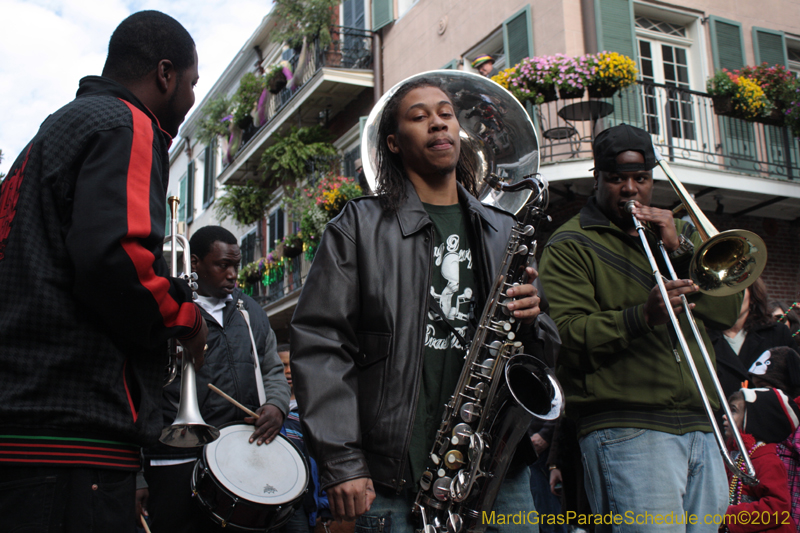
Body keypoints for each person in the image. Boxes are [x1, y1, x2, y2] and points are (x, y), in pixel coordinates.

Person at [291, 77, 559, 532]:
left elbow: (536, 356)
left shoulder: (505, 230)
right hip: (394, 483)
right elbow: (321, 345)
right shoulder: (358, 225)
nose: (437, 123)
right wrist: (342, 462)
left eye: (445, 113)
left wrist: (535, 319)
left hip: (497, 480)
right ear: (394, 143)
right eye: (419, 117)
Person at [0, 11, 206, 532]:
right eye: (191, 84)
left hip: (23, 428)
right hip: (73, 439)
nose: (189, 100)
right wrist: (184, 317)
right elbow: (118, 258)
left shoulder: (51, 133)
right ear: (165, 74)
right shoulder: (127, 123)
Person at [539, 123, 744, 532]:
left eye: (641, 179)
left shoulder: (676, 235)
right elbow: (566, 336)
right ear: (596, 180)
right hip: (626, 427)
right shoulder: (571, 243)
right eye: (616, 179)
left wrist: (682, 252)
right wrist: (643, 316)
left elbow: (727, 314)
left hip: (701, 424)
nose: (630, 189)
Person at [142, 226, 290, 533]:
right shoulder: (169, 308)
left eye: (236, 265)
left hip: (239, 455)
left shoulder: (250, 310)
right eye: (222, 265)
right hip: (175, 460)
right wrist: (138, 475)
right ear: (194, 263)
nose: (233, 274)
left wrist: (276, 405)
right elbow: (141, 386)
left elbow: (271, 369)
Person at [723, 388, 798, 533]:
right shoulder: (735, 456)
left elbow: (778, 507)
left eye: (733, 411)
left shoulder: (767, 461)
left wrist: (728, 516)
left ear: (754, 419)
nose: (725, 416)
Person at [709, 279, 799, 400]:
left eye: (738, 289)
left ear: (752, 296)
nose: (732, 297)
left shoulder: (777, 333)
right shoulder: (701, 337)